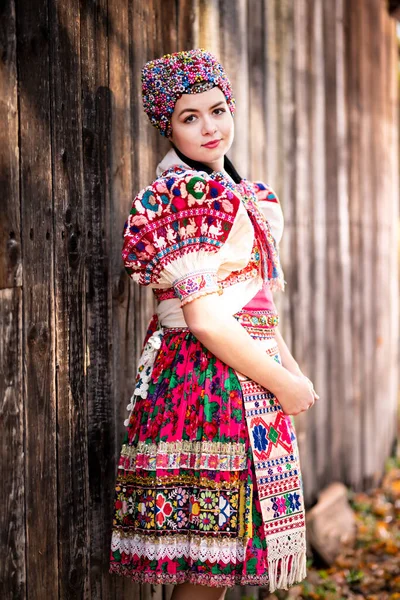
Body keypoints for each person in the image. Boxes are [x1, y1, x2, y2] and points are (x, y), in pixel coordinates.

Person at [109, 48, 318, 600]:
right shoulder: (181, 198)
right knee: (205, 570)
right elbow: (203, 319)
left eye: (218, 110)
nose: (210, 127)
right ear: (167, 127)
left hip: (246, 372)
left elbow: (259, 306)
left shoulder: (246, 195)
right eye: (189, 117)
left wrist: (290, 371)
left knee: (217, 572)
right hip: (204, 381)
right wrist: (283, 382)